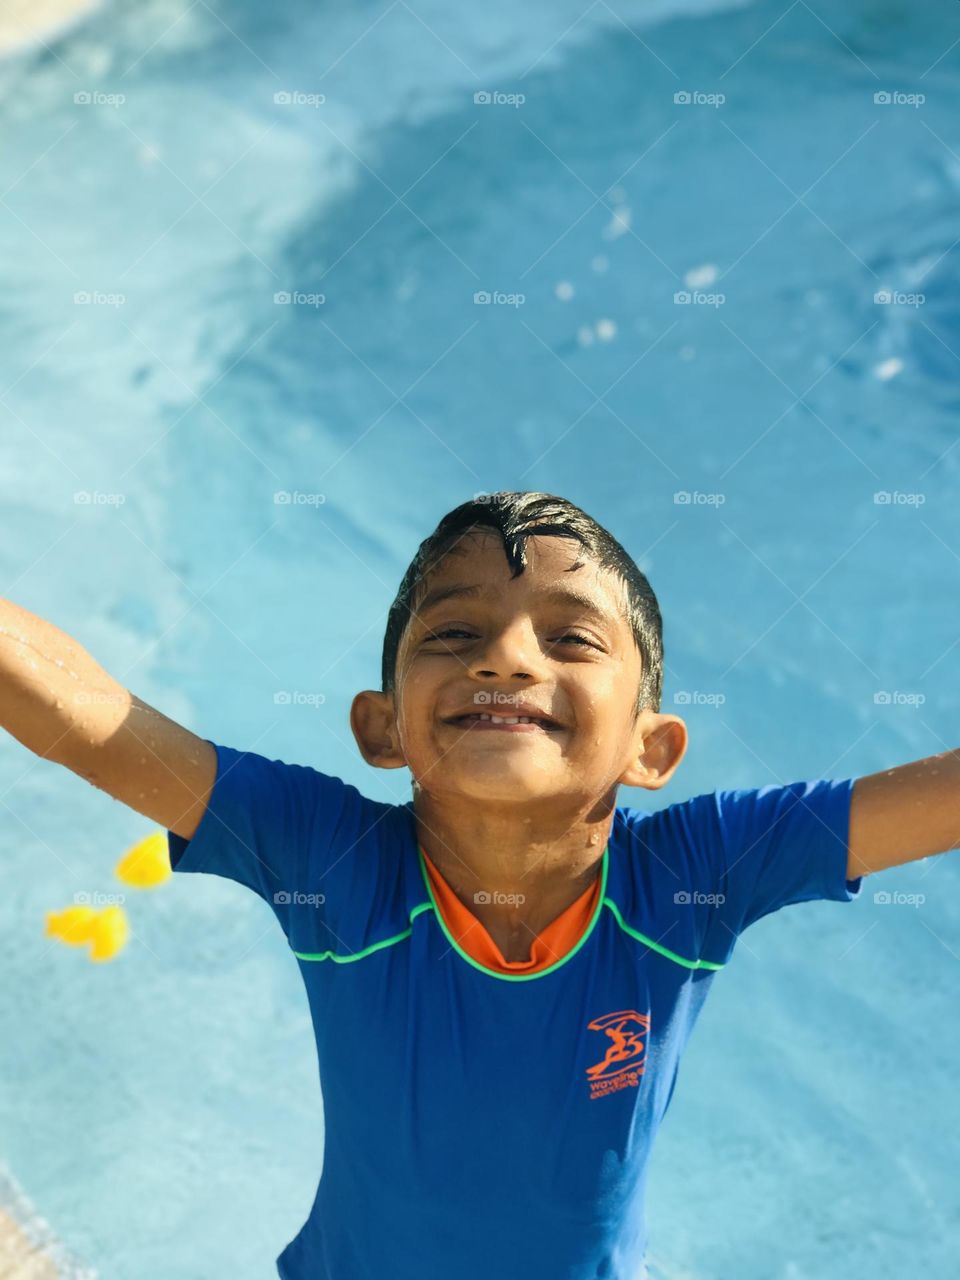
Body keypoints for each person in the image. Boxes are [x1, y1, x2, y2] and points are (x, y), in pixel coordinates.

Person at [0, 490, 948, 1279]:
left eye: (571, 639)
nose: (506, 658)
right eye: (455, 632)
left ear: (652, 748)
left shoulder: (692, 878)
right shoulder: (330, 858)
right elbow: (83, 714)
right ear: (381, 729)